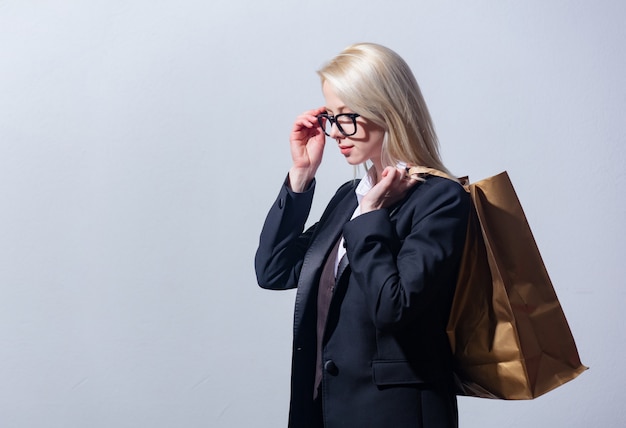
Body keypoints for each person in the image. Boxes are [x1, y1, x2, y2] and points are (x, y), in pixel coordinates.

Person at [255, 43, 470, 428]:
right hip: (325, 409)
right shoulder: (347, 198)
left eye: (346, 117)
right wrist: (301, 177)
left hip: (396, 415)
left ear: (386, 109)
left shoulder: (440, 199)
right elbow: (274, 270)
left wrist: (371, 217)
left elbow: (395, 307)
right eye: (330, 117)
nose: (336, 132)